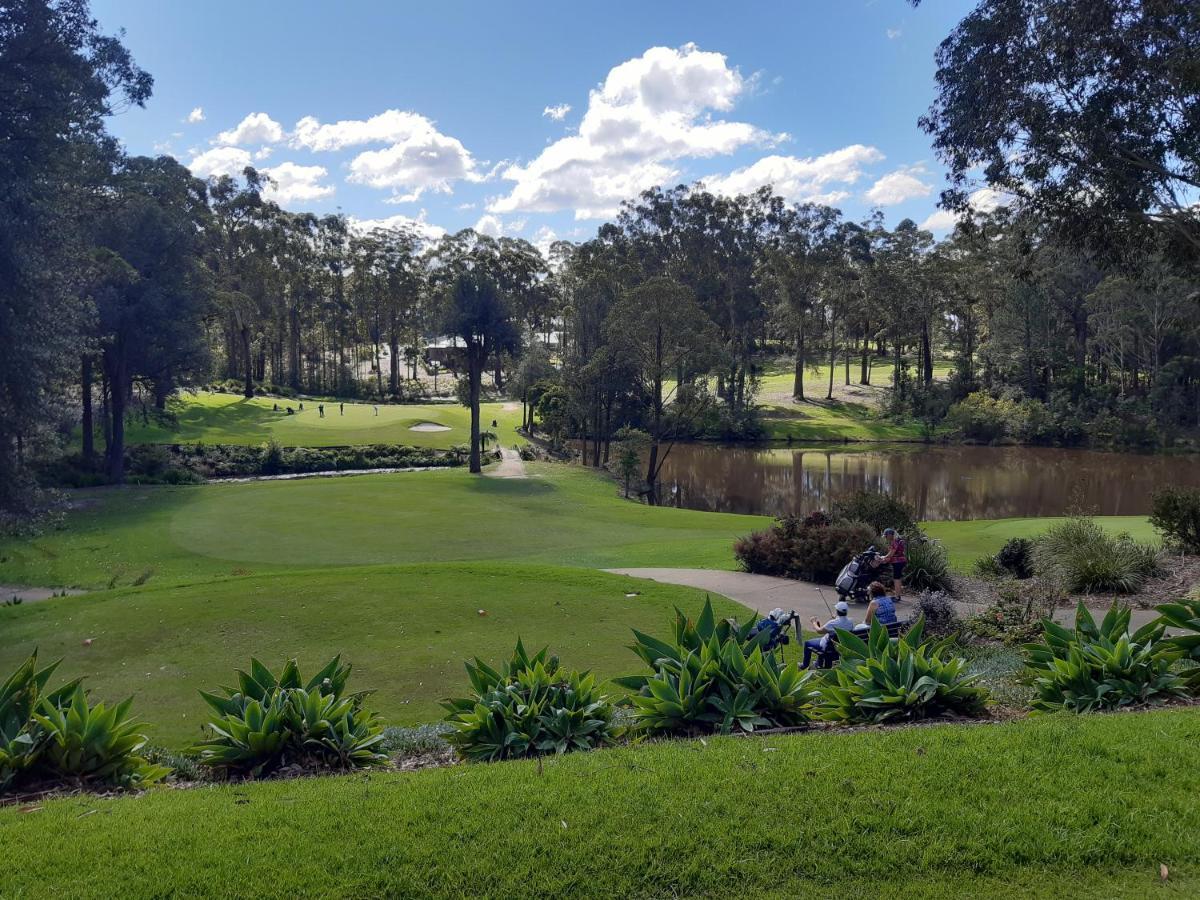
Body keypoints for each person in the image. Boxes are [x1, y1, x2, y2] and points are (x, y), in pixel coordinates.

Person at [801, 601, 858, 668]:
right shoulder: (850, 622)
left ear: (837, 611)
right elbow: (842, 623)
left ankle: (804, 665)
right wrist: (836, 619)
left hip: (829, 648)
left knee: (808, 643)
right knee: (824, 641)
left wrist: (814, 622)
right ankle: (818, 663)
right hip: (841, 648)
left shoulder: (832, 623)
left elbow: (819, 631)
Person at [878, 527, 907, 600]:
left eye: (886, 536)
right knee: (898, 578)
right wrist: (886, 558)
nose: (886, 538)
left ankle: (897, 596)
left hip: (898, 562)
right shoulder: (898, 540)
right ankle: (898, 595)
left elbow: (891, 553)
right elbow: (893, 554)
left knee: (896, 578)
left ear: (890, 535)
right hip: (901, 561)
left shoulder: (895, 542)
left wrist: (884, 557)